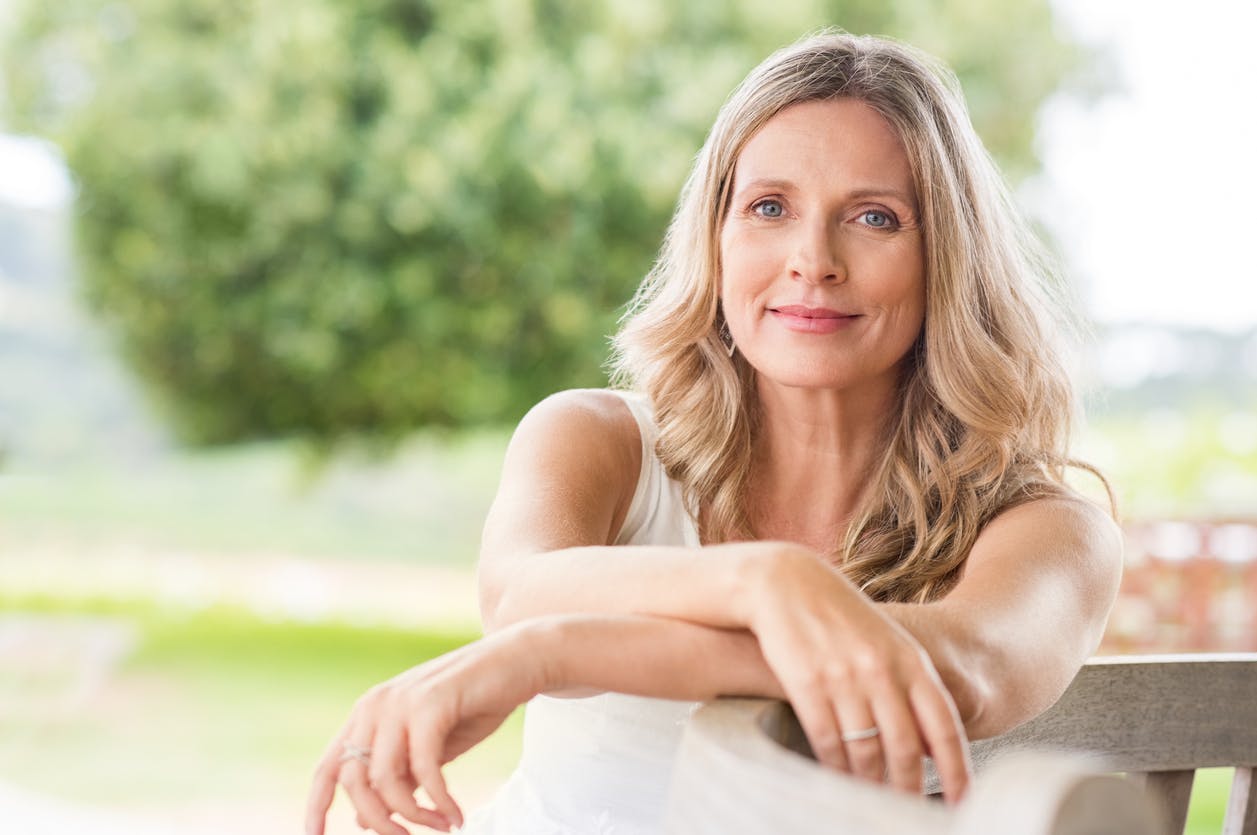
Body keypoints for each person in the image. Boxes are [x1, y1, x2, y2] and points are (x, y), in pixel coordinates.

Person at [306, 30, 1122, 835]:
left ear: (948, 256)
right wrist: (760, 583)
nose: (813, 259)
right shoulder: (595, 439)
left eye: (874, 217)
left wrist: (551, 655)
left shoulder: (1051, 528)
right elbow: (519, 593)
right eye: (768, 207)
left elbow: (964, 668)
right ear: (715, 236)